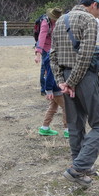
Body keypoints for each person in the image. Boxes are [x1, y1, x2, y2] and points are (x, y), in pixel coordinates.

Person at [50, 0, 99, 188]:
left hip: (67, 77)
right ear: (94, 5)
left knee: (75, 124)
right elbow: (85, 56)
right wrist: (72, 82)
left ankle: (79, 166)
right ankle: (78, 168)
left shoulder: (60, 20)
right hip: (84, 78)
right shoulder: (89, 21)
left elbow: (52, 54)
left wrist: (62, 81)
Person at [36, 8, 67, 137]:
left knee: (53, 107)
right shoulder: (52, 56)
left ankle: (44, 127)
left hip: (53, 89)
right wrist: (48, 89)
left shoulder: (54, 54)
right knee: (67, 108)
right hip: (56, 88)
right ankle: (68, 130)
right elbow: (49, 74)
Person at [35, 7, 62, 95]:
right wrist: (38, 53)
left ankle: (53, 86)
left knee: (54, 67)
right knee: (45, 67)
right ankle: (44, 89)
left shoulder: (59, 22)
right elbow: (41, 38)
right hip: (45, 47)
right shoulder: (45, 23)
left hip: (54, 46)